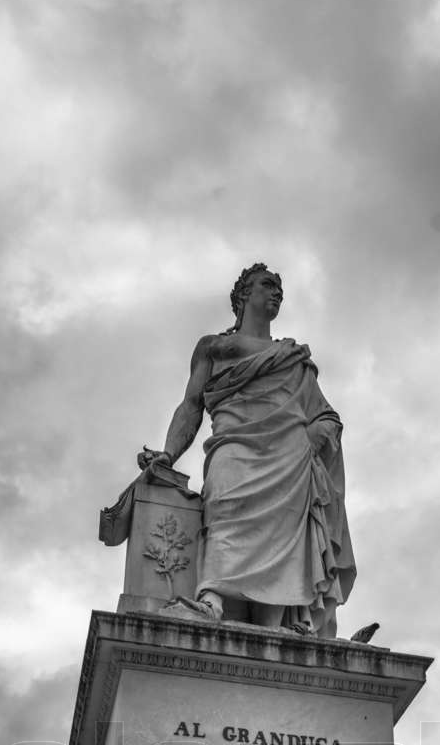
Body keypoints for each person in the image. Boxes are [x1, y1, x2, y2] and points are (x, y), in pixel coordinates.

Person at [138, 263, 355, 636]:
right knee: (224, 506)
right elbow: (191, 405)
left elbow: (327, 415)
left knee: (284, 532)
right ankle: (212, 600)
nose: (276, 292)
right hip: (234, 443)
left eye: (279, 289)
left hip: (289, 454)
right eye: (267, 285)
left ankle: (274, 621)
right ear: (243, 295)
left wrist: (313, 436)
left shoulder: (293, 358)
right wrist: (168, 454)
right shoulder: (214, 347)